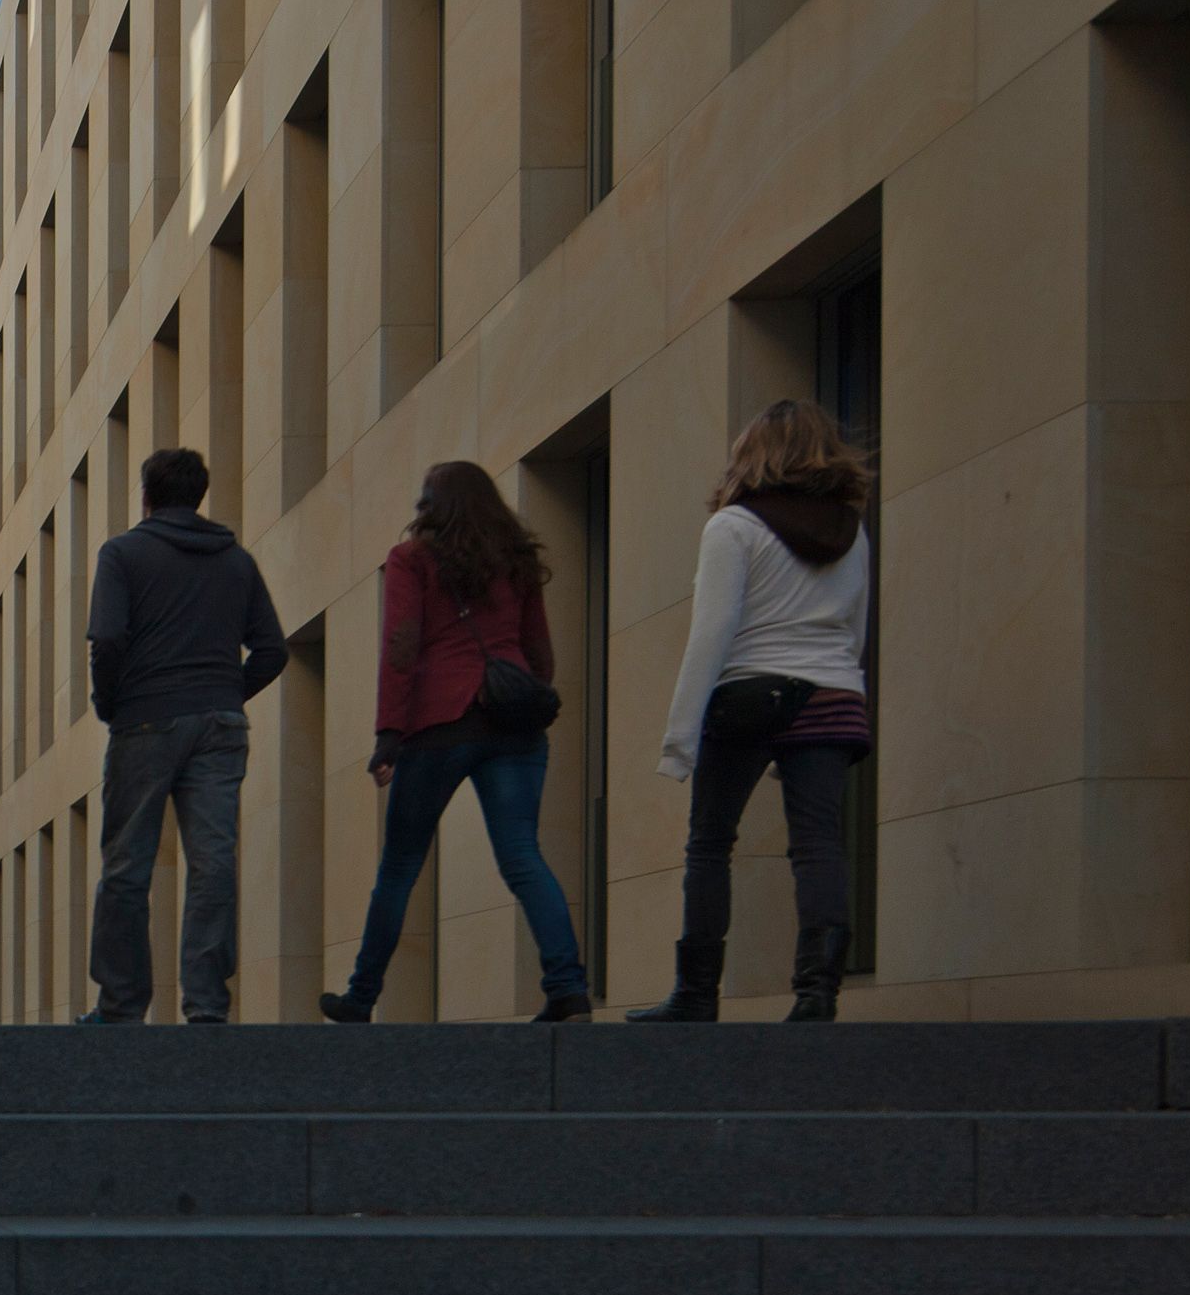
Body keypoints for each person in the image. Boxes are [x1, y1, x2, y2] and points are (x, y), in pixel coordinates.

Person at [628, 398, 876, 1025]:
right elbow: (856, 624)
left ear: (751, 453)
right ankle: (818, 993)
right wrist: (845, 684)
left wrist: (679, 739)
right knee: (819, 843)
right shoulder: (852, 530)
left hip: (750, 695)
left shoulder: (733, 527)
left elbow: (712, 631)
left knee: (710, 843)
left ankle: (695, 994)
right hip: (833, 692)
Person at [321, 460, 592, 1024]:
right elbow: (538, 649)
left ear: (429, 506)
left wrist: (388, 733)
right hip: (513, 724)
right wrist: (527, 696)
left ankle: (362, 996)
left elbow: (402, 643)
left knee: (399, 867)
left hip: (439, 724)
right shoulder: (515, 558)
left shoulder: (413, 559)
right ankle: (567, 987)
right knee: (523, 856)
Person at [74, 447, 287, 1024]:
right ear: (198, 495)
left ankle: (121, 1006)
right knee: (213, 864)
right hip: (219, 726)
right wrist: (224, 693)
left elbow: (108, 640)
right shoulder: (236, 561)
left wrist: (111, 702)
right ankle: (208, 1006)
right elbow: (272, 650)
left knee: (127, 867)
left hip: (144, 718)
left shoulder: (122, 554)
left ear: (147, 494)